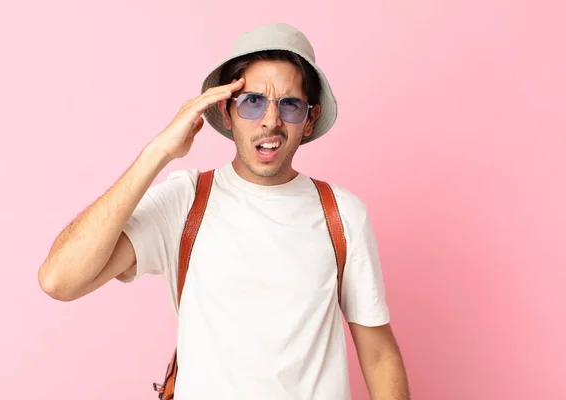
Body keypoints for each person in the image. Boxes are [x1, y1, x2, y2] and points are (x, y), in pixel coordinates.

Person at [38, 22, 410, 399]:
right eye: (252, 101)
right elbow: (60, 280)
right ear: (226, 111)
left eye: (290, 105)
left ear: (309, 119)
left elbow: (379, 355)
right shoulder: (186, 202)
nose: (270, 121)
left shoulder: (342, 214)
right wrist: (158, 152)